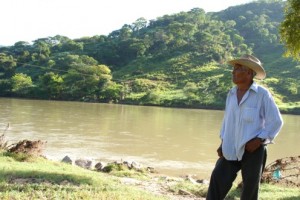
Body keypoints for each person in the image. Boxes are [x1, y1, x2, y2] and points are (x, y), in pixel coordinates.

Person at [206, 54, 283, 200]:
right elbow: (227, 121)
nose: (233, 72)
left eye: (237, 68)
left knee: (250, 190)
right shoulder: (231, 93)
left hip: (253, 149)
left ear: (249, 72)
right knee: (217, 181)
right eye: (233, 69)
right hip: (229, 147)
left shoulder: (262, 94)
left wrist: (260, 140)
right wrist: (223, 142)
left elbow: (276, 121)